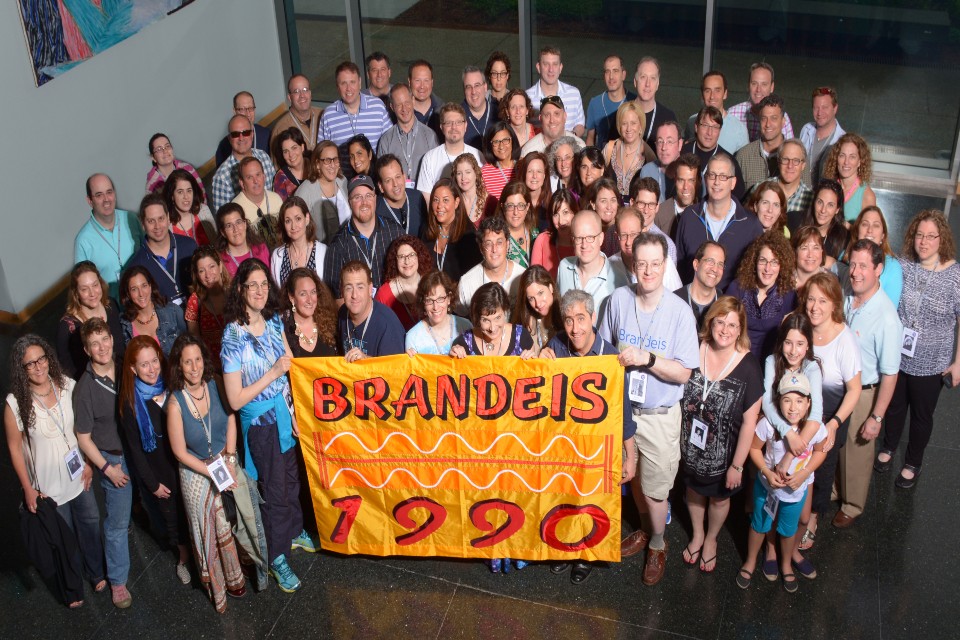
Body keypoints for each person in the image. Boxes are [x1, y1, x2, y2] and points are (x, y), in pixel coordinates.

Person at [599, 232, 699, 586]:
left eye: (655, 263)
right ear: (632, 265)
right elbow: (603, 352)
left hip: (658, 415)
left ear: (665, 265)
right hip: (622, 412)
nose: (648, 270)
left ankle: (658, 542)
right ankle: (644, 529)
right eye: (641, 263)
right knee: (633, 478)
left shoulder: (680, 312)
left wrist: (648, 359)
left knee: (656, 489)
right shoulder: (617, 301)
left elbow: (685, 371)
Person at [221, 259, 316, 594]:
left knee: (291, 481)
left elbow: (289, 367)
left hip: (283, 413)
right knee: (274, 491)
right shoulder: (232, 336)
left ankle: (292, 531)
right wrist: (272, 375)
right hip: (259, 424)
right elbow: (235, 399)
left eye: (264, 284)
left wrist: (292, 410)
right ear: (241, 290)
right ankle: (275, 555)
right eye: (253, 285)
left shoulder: (275, 320)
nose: (260, 291)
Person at [539, 289, 639, 584]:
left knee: (592, 500)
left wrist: (630, 457)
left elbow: (624, 412)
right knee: (564, 495)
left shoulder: (611, 357)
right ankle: (566, 548)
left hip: (599, 447)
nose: (575, 328)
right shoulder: (557, 344)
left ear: (593, 318)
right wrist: (539, 359)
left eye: (581, 319)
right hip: (565, 445)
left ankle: (585, 554)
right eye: (569, 320)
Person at [6, 336, 105, 608]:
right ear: (21, 368)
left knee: (90, 523)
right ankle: (74, 588)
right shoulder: (16, 404)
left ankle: (96, 571)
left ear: (48, 358)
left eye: (41, 359)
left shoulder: (67, 385)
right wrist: (28, 488)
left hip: (78, 475)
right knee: (64, 540)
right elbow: (15, 449)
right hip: (49, 488)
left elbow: (83, 428)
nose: (38, 367)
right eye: (30, 364)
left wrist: (87, 462)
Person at [679, 296, 762, 573]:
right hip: (689, 447)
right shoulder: (694, 349)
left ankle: (712, 538)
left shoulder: (749, 366)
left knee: (719, 498)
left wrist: (737, 465)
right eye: (720, 321)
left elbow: (750, 422)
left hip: (725, 456)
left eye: (732, 325)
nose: (725, 329)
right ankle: (698, 534)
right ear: (710, 322)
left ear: (740, 330)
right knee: (692, 491)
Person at [878, 210, 960, 488]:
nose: (923, 242)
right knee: (895, 406)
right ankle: (888, 447)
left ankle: (913, 461)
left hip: (932, 362)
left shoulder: (954, 274)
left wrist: (958, 362)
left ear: (942, 238)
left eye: (930, 236)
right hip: (899, 357)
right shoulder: (903, 265)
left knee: (922, 416)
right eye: (919, 235)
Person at [165, 335, 247, 612]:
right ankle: (221, 584)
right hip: (195, 466)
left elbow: (231, 417)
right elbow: (179, 452)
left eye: (197, 359)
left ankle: (241, 568)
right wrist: (213, 473)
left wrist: (231, 457)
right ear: (179, 365)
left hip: (224, 456)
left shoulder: (216, 383)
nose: (194, 367)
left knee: (235, 512)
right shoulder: (175, 404)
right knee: (211, 523)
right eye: (187, 362)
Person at [736, 371, 828, 593]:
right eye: (787, 400)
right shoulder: (768, 424)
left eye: (799, 401)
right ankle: (750, 560)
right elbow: (755, 448)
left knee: (788, 530)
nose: (793, 407)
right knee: (759, 525)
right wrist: (767, 472)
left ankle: (785, 563)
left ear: (808, 404)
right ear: (778, 403)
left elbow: (820, 451)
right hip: (766, 488)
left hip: (795, 494)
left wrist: (805, 473)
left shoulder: (814, 428)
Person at [833, 240, 902, 527]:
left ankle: (852, 505)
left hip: (864, 392)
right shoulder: (848, 292)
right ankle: (836, 489)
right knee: (836, 444)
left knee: (857, 451)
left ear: (879, 269)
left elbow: (890, 374)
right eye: (853, 264)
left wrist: (876, 417)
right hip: (839, 384)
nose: (856, 272)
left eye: (864, 266)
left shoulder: (887, 317)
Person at [797, 273, 862, 551]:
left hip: (829, 418)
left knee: (821, 472)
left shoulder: (844, 338)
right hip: (798, 413)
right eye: (811, 299)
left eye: (822, 300)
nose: (815, 307)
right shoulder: (800, 328)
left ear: (834, 303)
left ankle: (812, 518)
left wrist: (834, 424)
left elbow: (855, 390)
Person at [118, 337, 190, 584]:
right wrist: (152, 484)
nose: (152, 369)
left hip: (186, 464)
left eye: (154, 361)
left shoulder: (172, 385)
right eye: (144, 365)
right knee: (174, 519)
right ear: (132, 369)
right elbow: (136, 451)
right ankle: (183, 559)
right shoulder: (130, 403)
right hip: (161, 472)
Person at [73, 318, 134, 608]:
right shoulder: (84, 389)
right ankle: (119, 582)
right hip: (114, 459)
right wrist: (107, 469)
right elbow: (83, 437)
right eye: (94, 344)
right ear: (86, 350)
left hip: (137, 450)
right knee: (117, 524)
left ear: (112, 338)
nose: (101, 348)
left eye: (105, 340)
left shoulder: (125, 366)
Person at [674, 154, 764, 289]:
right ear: (705, 179)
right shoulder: (689, 216)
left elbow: (754, 274)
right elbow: (679, 265)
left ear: (733, 182)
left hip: (731, 306)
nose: (716, 182)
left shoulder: (751, 224)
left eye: (723, 176)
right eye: (712, 175)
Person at [324, 174, 405, 296]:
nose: (364, 202)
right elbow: (334, 296)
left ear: (375, 198)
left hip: (393, 309)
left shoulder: (395, 232)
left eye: (368, 196)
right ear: (349, 202)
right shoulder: (338, 245)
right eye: (357, 197)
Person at [726, 231, 797, 359]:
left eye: (774, 262)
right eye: (763, 261)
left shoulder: (789, 295)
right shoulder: (737, 288)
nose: (767, 268)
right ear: (754, 262)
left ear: (782, 265)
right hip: (736, 360)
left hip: (771, 365)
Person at [318, 61, 392, 177]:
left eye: (352, 82)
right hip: (343, 184)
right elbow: (322, 155)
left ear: (360, 82)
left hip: (376, 180)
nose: (349, 89)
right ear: (337, 87)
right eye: (343, 83)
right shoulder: (328, 115)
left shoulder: (377, 107)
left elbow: (390, 143)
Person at [75, 173, 142, 298]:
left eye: (109, 192)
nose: (106, 199)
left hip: (143, 299)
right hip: (113, 309)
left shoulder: (130, 219)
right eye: (99, 195)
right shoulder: (83, 241)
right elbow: (82, 285)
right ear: (90, 201)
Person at [57, 262, 124, 380]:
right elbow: (68, 369)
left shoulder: (111, 305)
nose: (92, 293)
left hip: (123, 374)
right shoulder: (67, 327)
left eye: (95, 285)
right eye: (84, 289)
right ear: (76, 293)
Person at [127, 193, 197, 306]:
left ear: (168, 218)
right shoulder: (136, 266)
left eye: (161, 218)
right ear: (143, 224)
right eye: (151, 221)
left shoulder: (189, 246)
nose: (157, 226)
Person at [557, 210, 627, 314]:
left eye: (590, 237)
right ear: (572, 240)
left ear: (601, 238)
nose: (584, 245)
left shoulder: (619, 280)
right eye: (579, 238)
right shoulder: (564, 267)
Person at [735, 94, 805, 196]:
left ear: (783, 121)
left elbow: (808, 195)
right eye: (764, 118)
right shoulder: (743, 156)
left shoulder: (798, 156)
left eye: (774, 118)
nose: (768, 124)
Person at [338, 261, 407, 360]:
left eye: (360, 287)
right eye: (348, 288)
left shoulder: (388, 323)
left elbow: (396, 370)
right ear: (342, 291)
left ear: (370, 289)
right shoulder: (342, 313)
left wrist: (366, 360)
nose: (354, 295)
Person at [458, 216, 525, 316]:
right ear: (481, 247)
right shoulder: (467, 283)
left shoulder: (522, 276)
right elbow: (459, 322)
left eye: (499, 242)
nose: (494, 249)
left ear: (507, 244)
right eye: (488, 244)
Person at [211, 115, 277, 213]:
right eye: (235, 134)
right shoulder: (221, 177)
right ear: (229, 138)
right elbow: (224, 220)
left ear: (252, 134)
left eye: (245, 133)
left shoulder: (264, 157)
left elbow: (275, 193)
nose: (241, 138)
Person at [679, 107, 747, 202]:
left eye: (715, 127)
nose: (709, 133)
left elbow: (737, 196)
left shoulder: (728, 161)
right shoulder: (681, 153)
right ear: (696, 127)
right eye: (705, 125)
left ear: (720, 131)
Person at [421, 178, 482, 283]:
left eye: (445, 200)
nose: (439, 206)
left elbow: (473, 278)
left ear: (457, 202)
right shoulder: (426, 229)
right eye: (436, 200)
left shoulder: (469, 235)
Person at [609, 205, 682, 292]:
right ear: (617, 236)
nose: (628, 242)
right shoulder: (609, 265)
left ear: (643, 232)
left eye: (633, 235)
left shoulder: (662, 262)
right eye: (623, 235)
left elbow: (677, 298)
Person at [417, 103, 483, 197]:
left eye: (458, 122)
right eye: (448, 123)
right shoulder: (429, 158)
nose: (454, 127)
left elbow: (482, 192)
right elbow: (426, 198)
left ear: (465, 125)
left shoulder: (478, 155)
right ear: (441, 127)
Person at [377, 83, 439, 185]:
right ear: (392, 107)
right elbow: (382, 176)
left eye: (407, 103)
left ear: (413, 101)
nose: (404, 109)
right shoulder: (385, 140)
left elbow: (436, 174)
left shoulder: (430, 136)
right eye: (399, 105)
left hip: (424, 197)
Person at [118, 266, 186, 355]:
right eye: (134, 289)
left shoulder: (173, 312)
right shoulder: (124, 324)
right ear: (128, 293)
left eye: (144, 286)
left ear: (150, 286)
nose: (141, 294)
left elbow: (190, 346)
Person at [844, 206, 903, 307]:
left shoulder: (893, 267)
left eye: (876, 225)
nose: (869, 230)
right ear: (857, 231)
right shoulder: (844, 258)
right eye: (865, 224)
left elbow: (889, 311)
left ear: (883, 235)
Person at [405, 271, 472, 355]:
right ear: (423, 302)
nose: (435, 307)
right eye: (429, 300)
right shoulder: (413, 337)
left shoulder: (466, 326)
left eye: (440, 299)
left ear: (449, 298)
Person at [375, 235, 434, 330]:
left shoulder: (432, 284)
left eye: (411, 255)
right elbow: (377, 328)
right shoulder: (384, 294)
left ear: (419, 256)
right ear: (395, 260)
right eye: (401, 257)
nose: (407, 261)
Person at [296, 140, 350, 243]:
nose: (332, 165)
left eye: (335, 159)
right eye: (327, 160)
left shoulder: (342, 181)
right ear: (317, 164)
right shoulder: (305, 191)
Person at [185, 247, 230, 372]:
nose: (208, 275)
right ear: (197, 275)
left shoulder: (234, 292)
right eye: (201, 271)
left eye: (211, 267)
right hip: (214, 369)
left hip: (241, 363)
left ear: (220, 266)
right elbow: (195, 341)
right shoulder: (195, 301)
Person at [726, 63, 795, 142]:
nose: (758, 90)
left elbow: (789, 149)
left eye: (764, 84)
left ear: (772, 87)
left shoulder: (781, 117)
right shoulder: (732, 114)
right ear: (748, 86)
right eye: (754, 83)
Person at [525, 46, 585, 137]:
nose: (551, 70)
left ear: (560, 67)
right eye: (546, 64)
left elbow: (580, 124)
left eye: (555, 64)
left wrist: (569, 139)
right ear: (538, 67)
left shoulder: (574, 94)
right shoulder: (527, 97)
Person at [684, 70, 749, 153]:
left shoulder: (739, 130)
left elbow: (742, 163)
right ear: (702, 95)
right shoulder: (692, 121)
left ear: (725, 93)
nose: (712, 96)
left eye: (717, 90)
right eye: (707, 91)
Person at [270, 196, 327, 289]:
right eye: (288, 221)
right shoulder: (277, 255)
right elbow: (276, 294)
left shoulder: (323, 252)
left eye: (298, 219)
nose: (293, 226)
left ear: (307, 218)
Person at [282, 268, 338, 357]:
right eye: (303, 294)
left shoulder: (330, 325)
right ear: (292, 298)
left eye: (313, 292)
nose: (310, 300)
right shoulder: (283, 331)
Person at [822, 133, 876, 223]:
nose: (846, 162)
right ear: (836, 158)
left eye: (852, 157)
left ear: (860, 161)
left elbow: (869, 232)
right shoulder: (827, 187)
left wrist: (845, 225)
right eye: (842, 155)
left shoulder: (867, 196)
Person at [586, 55, 637, 149]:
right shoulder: (595, 103)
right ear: (604, 76)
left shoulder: (635, 102)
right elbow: (590, 138)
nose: (611, 76)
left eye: (615, 71)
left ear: (623, 75)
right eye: (607, 71)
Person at [603, 101, 653, 198]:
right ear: (619, 126)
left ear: (640, 125)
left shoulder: (649, 155)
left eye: (633, 123)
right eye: (624, 123)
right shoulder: (609, 148)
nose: (628, 129)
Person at [231, 156, 283, 249]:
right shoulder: (236, 209)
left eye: (258, 175)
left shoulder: (276, 198)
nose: (255, 181)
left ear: (264, 177)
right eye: (249, 177)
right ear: (242, 183)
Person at [512, 265, 561, 355]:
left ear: (551, 287)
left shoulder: (566, 316)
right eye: (531, 298)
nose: (538, 303)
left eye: (540, 293)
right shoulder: (526, 325)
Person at [375, 153, 428, 237]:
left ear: (404, 177)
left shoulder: (417, 198)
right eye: (388, 180)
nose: (395, 184)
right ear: (381, 187)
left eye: (398, 177)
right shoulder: (375, 210)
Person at [799, 87, 845, 183]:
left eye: (825, 107)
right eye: (816, 108)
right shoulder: (806, 130)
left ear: (835, 108)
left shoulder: (843, 140)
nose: (820, 113)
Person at [675, 241, 725, 330]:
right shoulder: (675, 300)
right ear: (696, 264)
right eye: (710, 261)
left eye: (720, 264)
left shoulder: (725, 305)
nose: (715, 269)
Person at [214, 92, 272, 167]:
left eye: (250, 108)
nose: (248, 114)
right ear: (234, 111)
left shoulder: (267, 135)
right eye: (242, 109)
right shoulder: (224, 145)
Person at [530, 186, 576, 277]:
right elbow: (534, 278)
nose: (561, 221)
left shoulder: (583, 241)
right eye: (556, 215)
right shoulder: (542, 240)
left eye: (565, 212)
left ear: (575, 212)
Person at [216, 203, 270, 279]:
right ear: (223, 232)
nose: (236, 229)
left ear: (245, 224)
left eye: (238, 222)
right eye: (229, 226)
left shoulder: (261, 249)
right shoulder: (220, 260)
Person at [163, 169, 215, 247]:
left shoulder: (203, 210)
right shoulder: (166, 224)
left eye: (189, 191)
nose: (186, 196)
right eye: (180, 192)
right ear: (172, 196)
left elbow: (217, 243)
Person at [800, 179, 849, 260]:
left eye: (830, 205)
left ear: (837, 209)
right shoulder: (795, 220)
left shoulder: (843, 238)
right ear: (814, 202)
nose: (823, 210)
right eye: (820, 202)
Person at [633, 57, 678, 146]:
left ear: (657, 84)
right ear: (635, 82)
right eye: (643, 77)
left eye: (653, 78)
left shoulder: (669, 117)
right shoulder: (621, 115)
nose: (647, 84)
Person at [520, 95, 585, 156]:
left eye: (556, 114)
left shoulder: (580, 147)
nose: (552, 120)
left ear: (565, 116)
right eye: (547, 115)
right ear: (540, 118)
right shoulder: (528, 151)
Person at [145, 133, 205, 199]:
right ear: (153, 157)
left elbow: (202, 195)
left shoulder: (187, 169)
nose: (165, 151)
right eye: (159, 149)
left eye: (167, 146)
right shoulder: (152, 186)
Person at [271, 74, 322, 150]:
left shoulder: (324, 115)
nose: (302, 95)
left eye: (305, 90)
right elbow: (277, 161)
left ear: (310, 93)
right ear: (289, 97)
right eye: (296, 91)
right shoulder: (280, 129)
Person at [654, 153, 700, 237]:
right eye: (681, 180)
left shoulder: (704, 213)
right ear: (675, 180)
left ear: (698, 182)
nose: (686, 187)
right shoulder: (660, 213)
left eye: (691, 180)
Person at [774, 140, 813, 232]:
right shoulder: (762, 189)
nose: (790, 165)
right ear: (779, 162)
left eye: (796, 161)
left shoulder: (811, 198)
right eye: (785, 159)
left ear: (803, 165)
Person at [639, 120, 682, 203]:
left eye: (669, 142)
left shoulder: (692, 172)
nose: (664, 147)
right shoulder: (647, 171)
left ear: (680, 144)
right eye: (660, 142)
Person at [498, 182, 540, 269]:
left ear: (527, 207)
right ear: (503, 207)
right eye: (510, 206)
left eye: (520, 206)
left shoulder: (536, 233)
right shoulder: (497, 238)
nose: (515, 212)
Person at [461, 65, 500, 149]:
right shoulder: (457, 117)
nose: (473, 91)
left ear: (485, 87)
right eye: (468, 87)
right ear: (464, 91)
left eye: (477, 85)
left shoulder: (499, 113)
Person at [454, 153, 496, 228]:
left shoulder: (491, 202)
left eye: (468, 172)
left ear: (476, 173)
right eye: (459, 173)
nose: (463, 178)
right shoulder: (453, 202)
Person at [480, 121, 520, 202]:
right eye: (496, 142)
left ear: (513, 141)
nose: (501, 146)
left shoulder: (523, 166)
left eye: (505, 140)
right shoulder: (484, 173)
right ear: (490, 145)